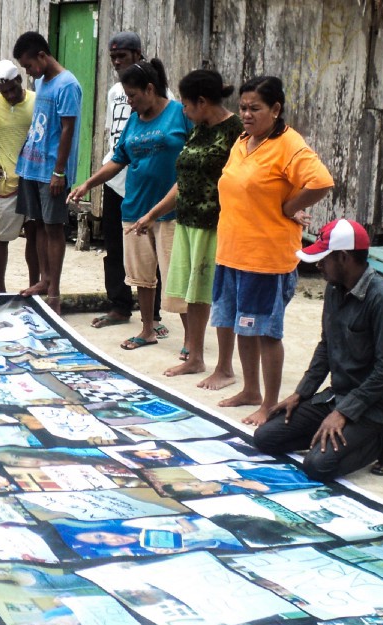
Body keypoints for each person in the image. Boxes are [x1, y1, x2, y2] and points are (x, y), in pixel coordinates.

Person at [214, 75, 333, 425]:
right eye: (243, 108)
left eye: (255, 109)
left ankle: (268, 402)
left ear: (276, 109)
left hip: (265, 258)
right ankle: (249, 389)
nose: (247, 115)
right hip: (232, 251)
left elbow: (322, 181)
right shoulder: (242, 140)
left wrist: (288, 206)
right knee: (241, 325)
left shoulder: (289, 144)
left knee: (266, 331)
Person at [254, 219, 383, 481]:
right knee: (266, 437)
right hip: (337, 396)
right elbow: (326, 346)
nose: (318, 265)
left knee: (318, 466)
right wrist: (301, 393)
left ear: (344, 258)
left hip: (372, 406)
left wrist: (343, 414)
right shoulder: (335, 289)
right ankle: (338, 438)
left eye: (324, 258)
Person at [68, 60, 191, 350]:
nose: (130, 104)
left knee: (177, 276)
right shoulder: (135, 120)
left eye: (133, 96)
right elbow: (118, 159)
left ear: (150, 89)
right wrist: (88, 183)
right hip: (135, 209)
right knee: (142, 277)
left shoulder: (179, 114)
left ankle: (191, 340)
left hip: (170, 211)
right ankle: (147, 329)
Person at [129, 70, 243, 381]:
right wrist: (153, 213)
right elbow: (184, 181)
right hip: (188, 222)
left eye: (187, 105)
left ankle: (225, 368)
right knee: (193, 295)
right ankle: (195, 358)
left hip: (218, 225)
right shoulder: (198, 129)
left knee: (218, 295)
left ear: (202, 102)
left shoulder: (235, 131)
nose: (184, 111)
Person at [12, 31, 82, 313]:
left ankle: (54, 291)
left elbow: (67, 129)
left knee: (54, 228)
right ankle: (44, 279)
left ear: (42, 56)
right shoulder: (41, 81)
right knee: (37, 225)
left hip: (52, 168)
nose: (29, 72)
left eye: (29, 65)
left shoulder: (68, 85)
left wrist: (60, 172)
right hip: (32, 164)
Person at [91, 31, 155, 332]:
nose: (117, 62)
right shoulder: (114, 91)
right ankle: (119, 304)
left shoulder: (151, 88)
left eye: (123, 56)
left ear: (138, 55)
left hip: (142, 179)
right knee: (113, 244)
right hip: (114, 176)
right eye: (113, 57)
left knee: (146, 245)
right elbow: (112, 135)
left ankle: (152, 313)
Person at [0, 61, 38, 294]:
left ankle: (35, 285)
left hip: (34, 181)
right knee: (3, 237)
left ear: (20, 80)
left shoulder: (36, 101)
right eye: (4, 92)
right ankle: (0, 289)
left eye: (13, 89)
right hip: (6, 183)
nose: (10, 95)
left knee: (34, 236)